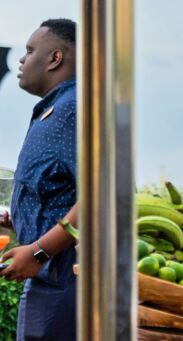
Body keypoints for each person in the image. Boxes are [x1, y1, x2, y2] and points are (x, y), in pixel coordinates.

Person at [0, 19, 80, 341]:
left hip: (65, 281)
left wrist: (37, 251)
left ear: (55, 58)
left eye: (30, 51)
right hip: (49, 280)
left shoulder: (73, 110)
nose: (22, 60)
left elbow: (103, 194)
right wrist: (18, 219)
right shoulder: (56, 109)